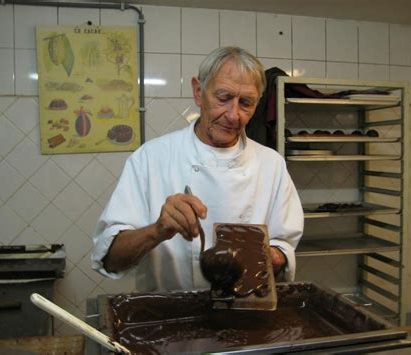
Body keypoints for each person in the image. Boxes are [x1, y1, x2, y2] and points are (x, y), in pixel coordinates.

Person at [91, 46, 304, 292]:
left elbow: (284, 250)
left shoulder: (271, 165)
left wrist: (262, 255)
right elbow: (110, 259)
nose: (234, 115)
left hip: (245, 315)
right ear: (198, 91)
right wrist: (158, 230)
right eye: (223, 98)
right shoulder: (151, 158)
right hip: (167, 317)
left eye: (246, 103)